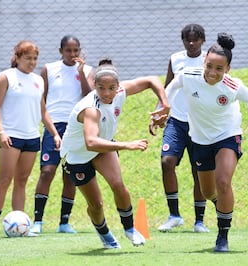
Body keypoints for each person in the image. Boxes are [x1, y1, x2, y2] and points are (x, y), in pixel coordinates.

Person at [164, 32, 248, 252]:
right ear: (203, 61)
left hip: (227, 136)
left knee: (223, 182)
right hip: (200, 140)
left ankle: (223, 236)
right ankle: (223, 208)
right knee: (209, 192)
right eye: (209, 66)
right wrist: (163, 107)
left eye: (219, 69)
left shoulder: (232, 85)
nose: (212, 72)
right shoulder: (189, 75)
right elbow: (171, 87)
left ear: (227, 69)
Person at [60, 58, 170, 248]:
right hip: (78, 155)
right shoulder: (91, 109)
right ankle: (104, 234)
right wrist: (127, 145)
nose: (107, 93)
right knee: (96, 205)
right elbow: (91, 142)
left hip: (103, 148)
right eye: (101, 87)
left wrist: (164, 104)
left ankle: (129, 229)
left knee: (118, 184)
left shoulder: (120, 92)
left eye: (111, 88)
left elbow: (152, 80)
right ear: (94, 85)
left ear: (118, 86)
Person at [0, 40, 61, 239]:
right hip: (11, 136)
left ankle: (20, 227)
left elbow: (42, 110)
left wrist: (55, 133)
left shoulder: (38, 80)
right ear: (17, 58)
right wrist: (1, 132)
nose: (32, 62)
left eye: (35, 58)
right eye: (28, 58)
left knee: (22, 181)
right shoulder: (5, 76)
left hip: (32, 138)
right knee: (4, 180)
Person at [30, 35, 94, 235]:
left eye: (76, 51)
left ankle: (64, 222)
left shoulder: (88, 70)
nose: (73, 54)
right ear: (61, 51)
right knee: (47, 171)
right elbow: (42, 100)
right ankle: (38, 221)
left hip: (75, 125)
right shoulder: (48, 69)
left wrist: (81, 72)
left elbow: (89, 96)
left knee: (70, 174)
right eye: (69, 50)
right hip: (54, 125)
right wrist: (49, 126)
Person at [151, 24, 209, 233]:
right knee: (167, 162)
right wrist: (158, 113)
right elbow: (166, 88)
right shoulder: (176, 59)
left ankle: (199, 221)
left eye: (195, 39)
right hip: (176, 120)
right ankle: (174, 215)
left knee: (199, 171)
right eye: (187, 39)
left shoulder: (208, 60)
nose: (191, 43)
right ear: (183, 41)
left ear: (202, 40)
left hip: (200, 122)